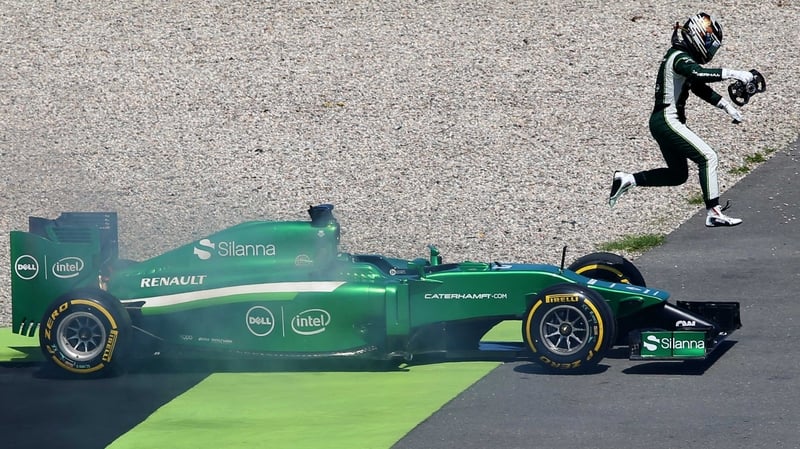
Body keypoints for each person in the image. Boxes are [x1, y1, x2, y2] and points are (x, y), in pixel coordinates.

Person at [608, 12, 757, 227]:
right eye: (709, 43)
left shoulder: (678, 57)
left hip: (662, 121)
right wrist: (734, 73)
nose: (710, 49)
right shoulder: (678, 56)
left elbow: (697, 87)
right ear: (698, 35)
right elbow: (697, 74)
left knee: (678, 175)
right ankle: (714, 211)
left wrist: (726, 106)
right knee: (708, 157)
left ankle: (628, 179)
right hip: (668, 119)